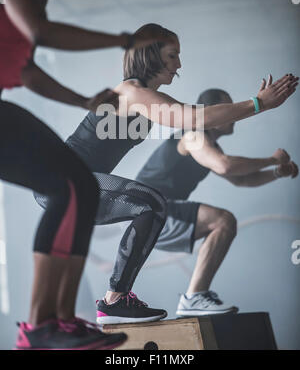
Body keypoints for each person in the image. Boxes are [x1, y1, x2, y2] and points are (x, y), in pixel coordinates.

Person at [35, 22, 298, 325]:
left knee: (151, 204)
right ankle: (115, 301)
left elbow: (234, 172)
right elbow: (195, 116)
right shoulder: (133, 93)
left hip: (74, 183)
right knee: (152, 202)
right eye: (172, 56)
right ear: (150, 56)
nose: (179, 65)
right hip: (64, 178)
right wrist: (257, 104)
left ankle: (114, 301)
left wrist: (275, 169)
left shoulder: (144, 100)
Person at [0, 0, 169, 350]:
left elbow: (27, 69)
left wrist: (81, 100)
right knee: (74, 183)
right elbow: (41, 33)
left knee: (76, 185)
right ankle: (43, 325)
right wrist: (123, 39)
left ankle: (53, 322)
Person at [136, 88, 299, 317]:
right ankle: (194, 297)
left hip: (154, 212)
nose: (232, 114)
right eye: (226, 108)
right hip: (146, 211)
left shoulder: (209, 146)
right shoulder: (192, 136)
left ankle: (196, 296)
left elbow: (242, 180)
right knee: (223, 220)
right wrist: (272, 159)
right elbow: (225, 166)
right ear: (213, 114)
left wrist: (277, 172)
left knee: (223, 223)